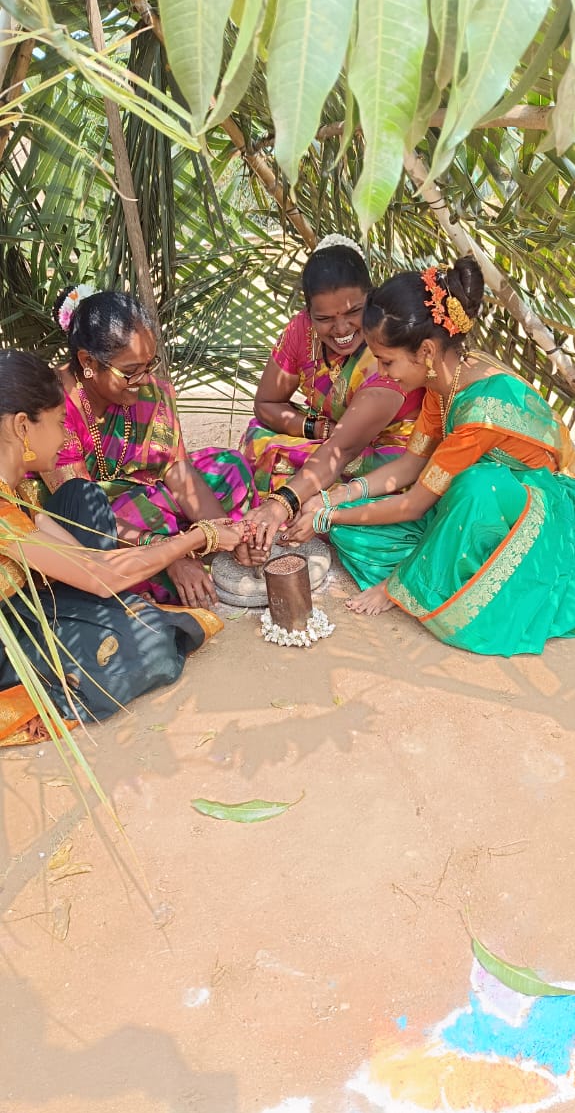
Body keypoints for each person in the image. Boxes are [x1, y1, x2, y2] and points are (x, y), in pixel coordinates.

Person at [281, 256, 575, 657]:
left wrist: (324, 516)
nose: (382, 372)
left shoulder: (484, 408)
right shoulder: (443, 385)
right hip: (467, 510)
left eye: (387, 361)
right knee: (351, 530)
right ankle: (436, 567)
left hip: (532, 517)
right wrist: (337, 497)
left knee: (477, 484)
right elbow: (410, 464)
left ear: (425, 350)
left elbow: (414, 504)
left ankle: (405, 583)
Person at [0, 350, 251, 745]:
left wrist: (145, 567)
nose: (65, 437)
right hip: (8, 635)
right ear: (21, 426)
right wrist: (196, 537)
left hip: (35, 598)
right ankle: (44, 696)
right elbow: (100, 575)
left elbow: (91, 563)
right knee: (151, 649)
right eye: (60, 423)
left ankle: (97, 632)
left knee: (83, 496)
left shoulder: (17, 490)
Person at [43, 287, 257, 607]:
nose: (144, 380)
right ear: (88, 361)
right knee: (114, 532)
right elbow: (83, 517)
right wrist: (171, 555)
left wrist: (225, 532)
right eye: (130, 372)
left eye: (149, 365)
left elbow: (178, 472)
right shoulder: (53, 409)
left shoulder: (150, 391)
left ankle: (184, 544)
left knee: (231, 468)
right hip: (99, 524)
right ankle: (165, 561)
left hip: (149, 499)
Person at [242, 236, 424, 552]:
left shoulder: (387, 350)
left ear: (371, 300)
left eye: (354, 312)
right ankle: (309, 510)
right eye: (324, 319)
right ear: (309, 313)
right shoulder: (301, 331)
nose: (341, 329)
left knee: (335, 487)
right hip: (330, 443)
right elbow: (266, 404)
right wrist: (315, 428)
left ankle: (312, 513)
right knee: (259, 439)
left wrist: (281, 503)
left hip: (388, 455)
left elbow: (342, 450)